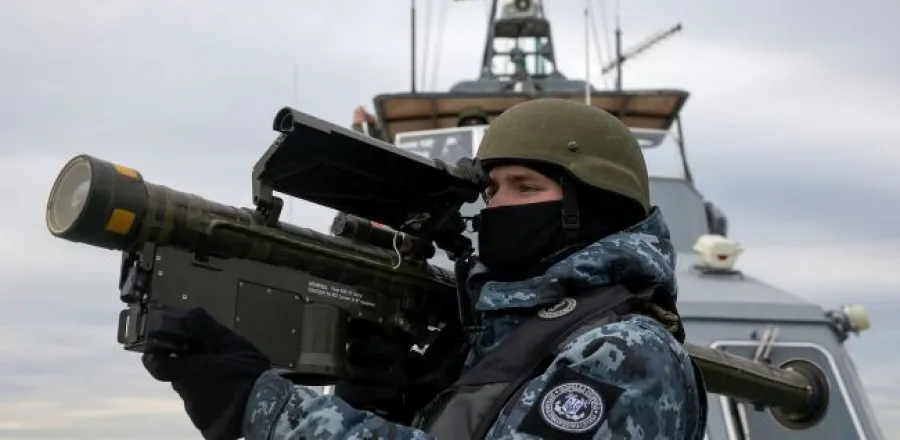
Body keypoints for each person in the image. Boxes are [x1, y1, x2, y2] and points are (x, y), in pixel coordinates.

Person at [141, 98, 708, 439]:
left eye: (526, 187)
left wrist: (264, 407)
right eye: (491, 189)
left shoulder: (627, 349)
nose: (498, 207)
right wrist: (390, 407)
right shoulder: (501, 340)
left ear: (597, 208)